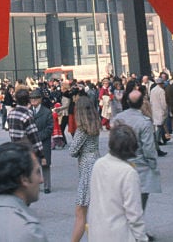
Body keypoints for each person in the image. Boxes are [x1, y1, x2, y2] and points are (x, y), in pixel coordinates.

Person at [88, 124, 148, 241]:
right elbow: (134, 213)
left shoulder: (99, 164)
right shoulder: (128, 172)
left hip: (97, 231)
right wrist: (141, 238)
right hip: (119, 234)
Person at [113, 83, 161, 214]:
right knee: (140, 199)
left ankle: (129, 227)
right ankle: (136, 228)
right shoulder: (144, 122)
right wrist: (153, 164)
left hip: (120, 163)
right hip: (140, 165)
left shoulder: (118, 118)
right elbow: (148, 147)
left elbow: (113, 142)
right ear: (141, 103)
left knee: (124, 200)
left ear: (127, 102)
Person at [67, 93, 101, 242]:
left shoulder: (82, 130)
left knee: (80, 210)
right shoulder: (95, 124)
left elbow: (72, 150)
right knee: (94, 208)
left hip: (86, 165)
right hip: (96, 160)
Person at [7, 89, 45, 168]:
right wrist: (41, 155)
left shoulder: (11, 113)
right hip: (27, 150)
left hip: (15, 148)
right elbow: (34, 136)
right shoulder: (27, 115)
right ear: (28, 100)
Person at [29, 89, 54, 193]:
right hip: (31, 142)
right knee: (34, 165)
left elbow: (50, 128)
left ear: (40, 99)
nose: (33, 100)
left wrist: (38, 136)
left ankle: (47, 186)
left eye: (35, 98)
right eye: (31, 98)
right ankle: (36, 185)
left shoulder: (46, 112)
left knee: (45, 164)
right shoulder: (29, 111)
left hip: (44, 141)